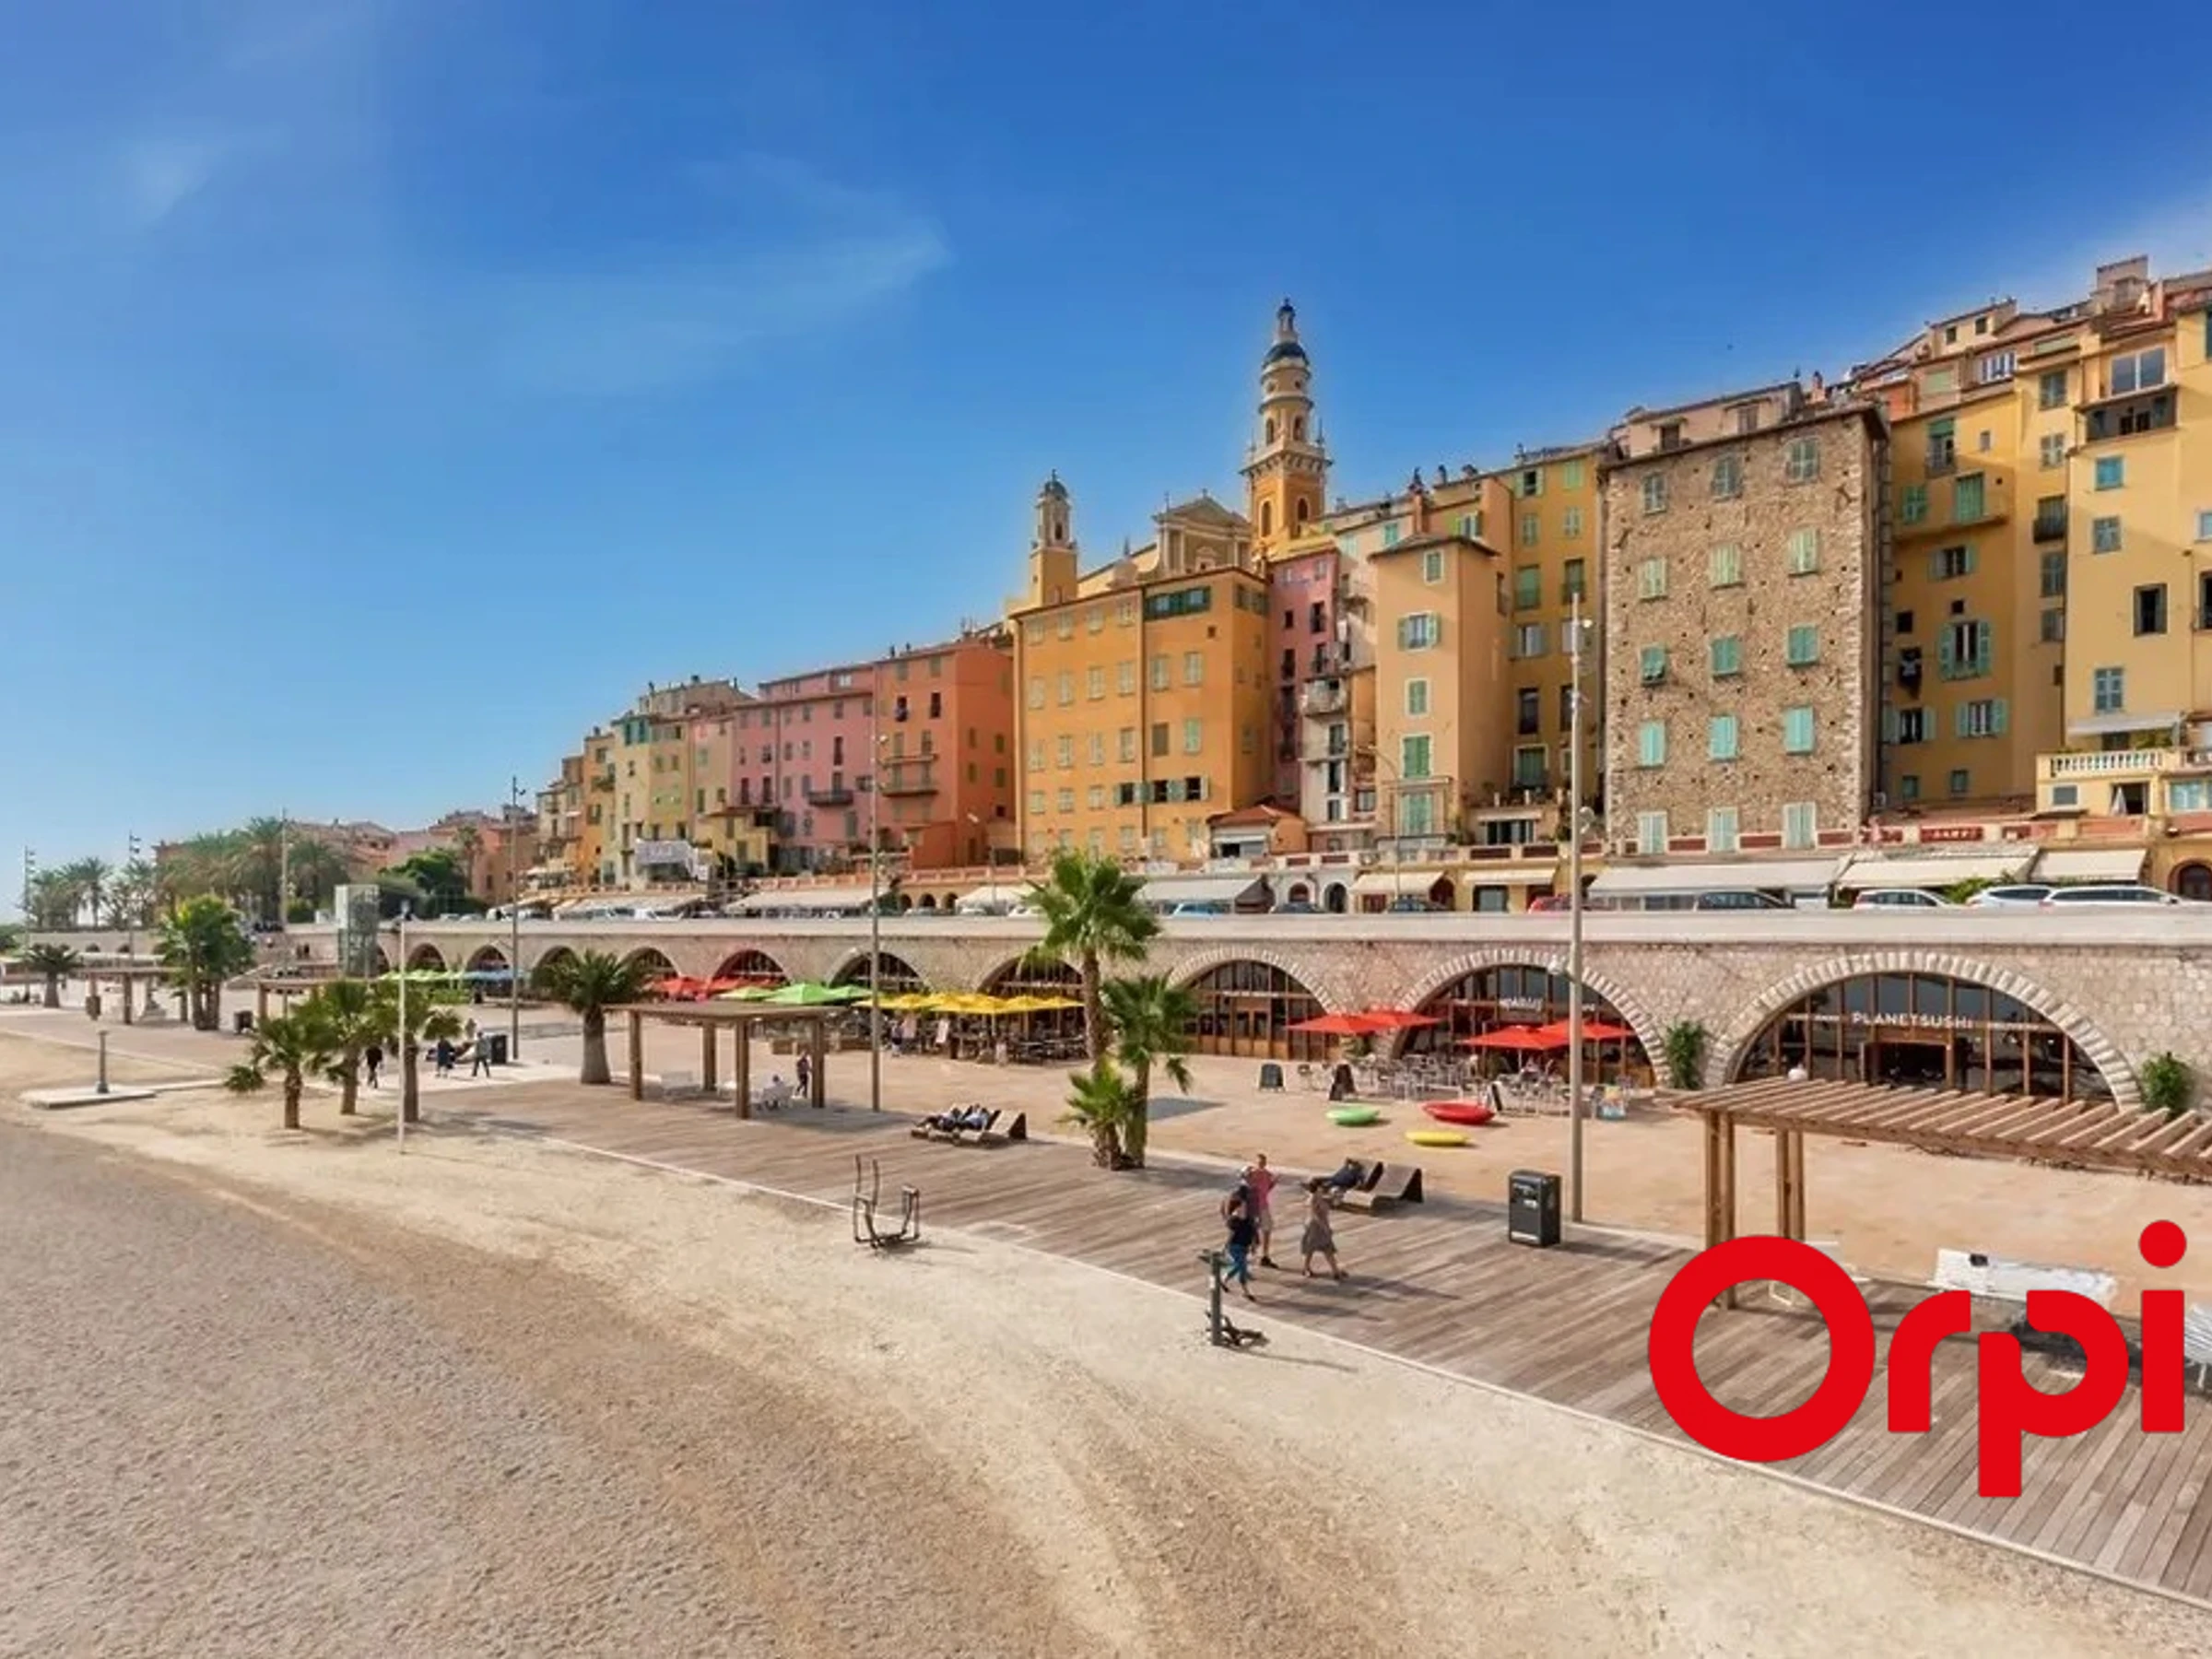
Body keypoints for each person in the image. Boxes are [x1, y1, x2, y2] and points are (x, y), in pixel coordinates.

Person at [1300, 1177, 1347, 1280]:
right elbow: (1315, 1215)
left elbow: (1333, 1203)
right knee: (1313, 1248)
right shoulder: (1313, 1199)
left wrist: (1336, 1197)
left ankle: (1335, 1271)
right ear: (1317, 1188)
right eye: (1322, 1186)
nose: (1325, 1187)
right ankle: (1307, 1268)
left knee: (1327, 1248)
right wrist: (1326, 1228)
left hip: (1321, 1225)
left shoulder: (1320, 1196)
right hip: (1315, 1227)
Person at [1244, 1154, 1279, 1269]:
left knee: (1267, 1229)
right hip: (1254, 1206)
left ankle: (1265, 1255)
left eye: (1263, 1162)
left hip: (1263, 1205)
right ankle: (1243, 1253)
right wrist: (1249, 1175)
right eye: (1260, 1162)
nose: (1262, 1164)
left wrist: (1274, 1182)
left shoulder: (1267, 1174)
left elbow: (1267, 1189)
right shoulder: (1251, 1173)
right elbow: (1246, 1184)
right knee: (1250, 1231)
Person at [1221, 1194, 1258, 1301]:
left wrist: (1253, 1245)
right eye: (1242, 1206)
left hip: (1245, 1247)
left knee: (1238, 1266)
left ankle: (1224, 1279)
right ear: (1237, 1207)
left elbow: (1252, 1232)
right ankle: (1246, 1291)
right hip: (1235, 1247)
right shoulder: (1234, 1220)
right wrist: (1225, 1248)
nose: (1245, 1208)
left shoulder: (1249, 1218)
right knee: (1242, 1267)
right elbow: (1231, 1235)